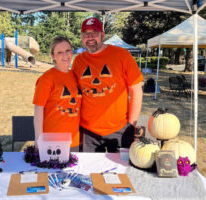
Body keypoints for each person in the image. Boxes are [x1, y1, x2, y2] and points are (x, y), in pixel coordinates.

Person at [72, 17, 143, 152]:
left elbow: (136, 90)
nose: (90, 37)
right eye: (86, 34)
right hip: (88, 132)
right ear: (82, 37)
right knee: (88, 172)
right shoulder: (78, 61)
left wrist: (131, 126)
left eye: (94, 33)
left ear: (103, 35)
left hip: (120, 129)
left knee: (121, 170)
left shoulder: (122, 56)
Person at [33, 36, 82, 152]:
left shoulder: (76, 76)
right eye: (59, 52)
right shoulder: (47, 79)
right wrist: (38, 140)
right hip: (52, 142)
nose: (65, 56)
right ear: (52, 56)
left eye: (68, 51)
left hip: (74, 140)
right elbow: (38, 110)